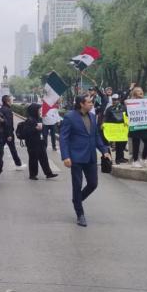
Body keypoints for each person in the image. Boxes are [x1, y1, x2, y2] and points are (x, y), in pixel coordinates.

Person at [60, 95, 111, 227]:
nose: (92, 104)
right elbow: (63, 138)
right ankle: (80, 214)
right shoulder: (70, 117)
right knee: (77, 185)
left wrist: (104, 150)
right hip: (75, 157)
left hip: (90, 156)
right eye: (89, 102)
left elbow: (96, 136)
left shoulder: (93, 117)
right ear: (81, 104)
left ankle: (77, 200)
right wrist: (65, 156)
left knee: (93, 184)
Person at [17, 103, 57, 180]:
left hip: (40, 142)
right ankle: (32, 175)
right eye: (39, 110)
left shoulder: (38, 119)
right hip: (32, 143)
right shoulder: (29, 120)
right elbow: (26, 133)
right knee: (33, 159)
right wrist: (36, 129)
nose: (40, 111)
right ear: (34, 110)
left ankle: (48, 173)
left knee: (44, 158)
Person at [127, 85, 147, 168]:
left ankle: (143, 159)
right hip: (135, 126)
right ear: (135, 93)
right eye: (138, 90)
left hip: (144, 126)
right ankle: (135, 161)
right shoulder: (131, 101)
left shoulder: (145, 101)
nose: (141, 92)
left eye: (141, 90)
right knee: (136, 143)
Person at [0, 95, 25, 170]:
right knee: (13, 149)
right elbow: (9, 123)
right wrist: (10, 134)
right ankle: (18, 165)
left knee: (0, 150)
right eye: (11, 100)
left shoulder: (0, 110)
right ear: (7, 101)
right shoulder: (8, 110)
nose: (11, 101)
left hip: (1, 133)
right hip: (8, 134)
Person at [102, 94, 128, 164]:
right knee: (118, 144)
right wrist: (103, 124)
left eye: (116, 99)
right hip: (115, 129)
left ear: (119, 100)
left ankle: (121, 157)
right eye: (113, 99)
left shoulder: (123, 107)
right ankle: (118, 159)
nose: (115, 101)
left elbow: (126, 116)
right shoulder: (109, 109)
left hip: (123, 129)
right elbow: (105, 118)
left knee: (123, 144)